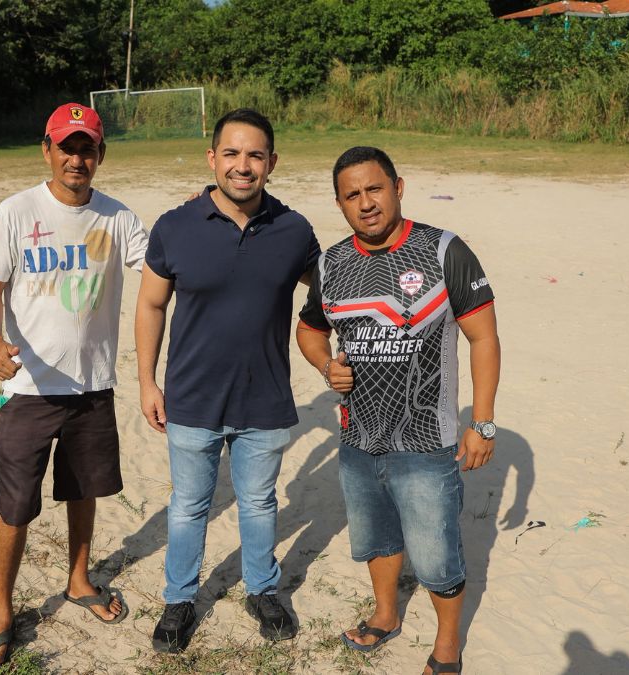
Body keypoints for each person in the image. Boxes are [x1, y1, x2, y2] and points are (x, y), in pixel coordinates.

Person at [295, 146, 500, 675]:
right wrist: (325, 365)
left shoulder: (443, 250)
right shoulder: (331, 263)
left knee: (435, 555)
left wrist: (481, 422)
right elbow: (310, 329)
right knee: (376, 539)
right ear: (339, 204)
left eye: (375, 189)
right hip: (358, 438)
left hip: (426, 440)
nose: (366, 203)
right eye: (352, 195)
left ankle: (448, 647)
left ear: (398, 187)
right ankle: (385, 615)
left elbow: (483, 337)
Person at [134, 108, 321, 653]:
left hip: (264, 397)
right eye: (232, 153)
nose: (243, 166)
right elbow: (150, 305)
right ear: (212, 158)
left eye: (255, 155)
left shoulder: (293, 230)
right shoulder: (175, 226)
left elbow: (333, 286)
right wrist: (147, 382)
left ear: (272, 162)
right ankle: (180, 598)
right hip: (192, 397)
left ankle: (262, 590)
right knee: (189, 505)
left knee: (259, 503)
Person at [0, 102, 149, 668]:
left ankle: (78, 579)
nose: (77, 158)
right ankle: (2, 610)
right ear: (46, 150)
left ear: (101, 154)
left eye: (87, 148)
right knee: (14, 506)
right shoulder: (16, 212)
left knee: (83, 489)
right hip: (29, 388)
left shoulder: (118, 218)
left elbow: (162, 267)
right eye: (66, 147)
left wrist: (199, 216)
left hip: (92, 387)